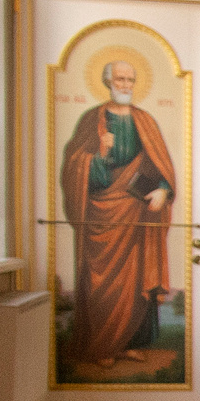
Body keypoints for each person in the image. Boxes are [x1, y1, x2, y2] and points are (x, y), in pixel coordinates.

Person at [59, 59, 176, 371]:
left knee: (135, 278)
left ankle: (126, 344)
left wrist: (163, 190)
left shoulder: (145, 121)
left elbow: (161, 165)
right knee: (102, 283)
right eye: (120, 79)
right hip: (102, 214)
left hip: (137, 213)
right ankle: (100, 345)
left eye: (130, 80)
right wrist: (99, 155)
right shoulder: (91, 120)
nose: (125, 85)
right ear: (108, 82)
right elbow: (74, 167)